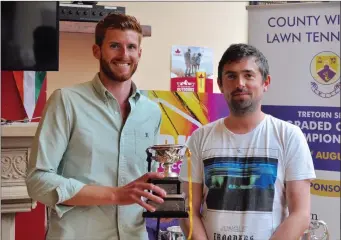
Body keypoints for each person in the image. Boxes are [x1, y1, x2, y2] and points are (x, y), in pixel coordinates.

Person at [26, 13, 167, 240]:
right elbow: (38, 181)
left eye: (131, 47)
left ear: (139, 53)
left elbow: (142, 181)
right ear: (96, 51)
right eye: (114, 46)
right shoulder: (66, 101)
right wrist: (115, 195)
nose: (124, 54)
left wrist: (162, 200)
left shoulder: (152, 112)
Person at [179, 43, 316, 240]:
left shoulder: (289, 136)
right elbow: (188, 212)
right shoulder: (199, 138)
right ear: (220, 83)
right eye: (231, 76)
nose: (239, 83)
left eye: (248, 75)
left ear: (266, 82)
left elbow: (300, 214)